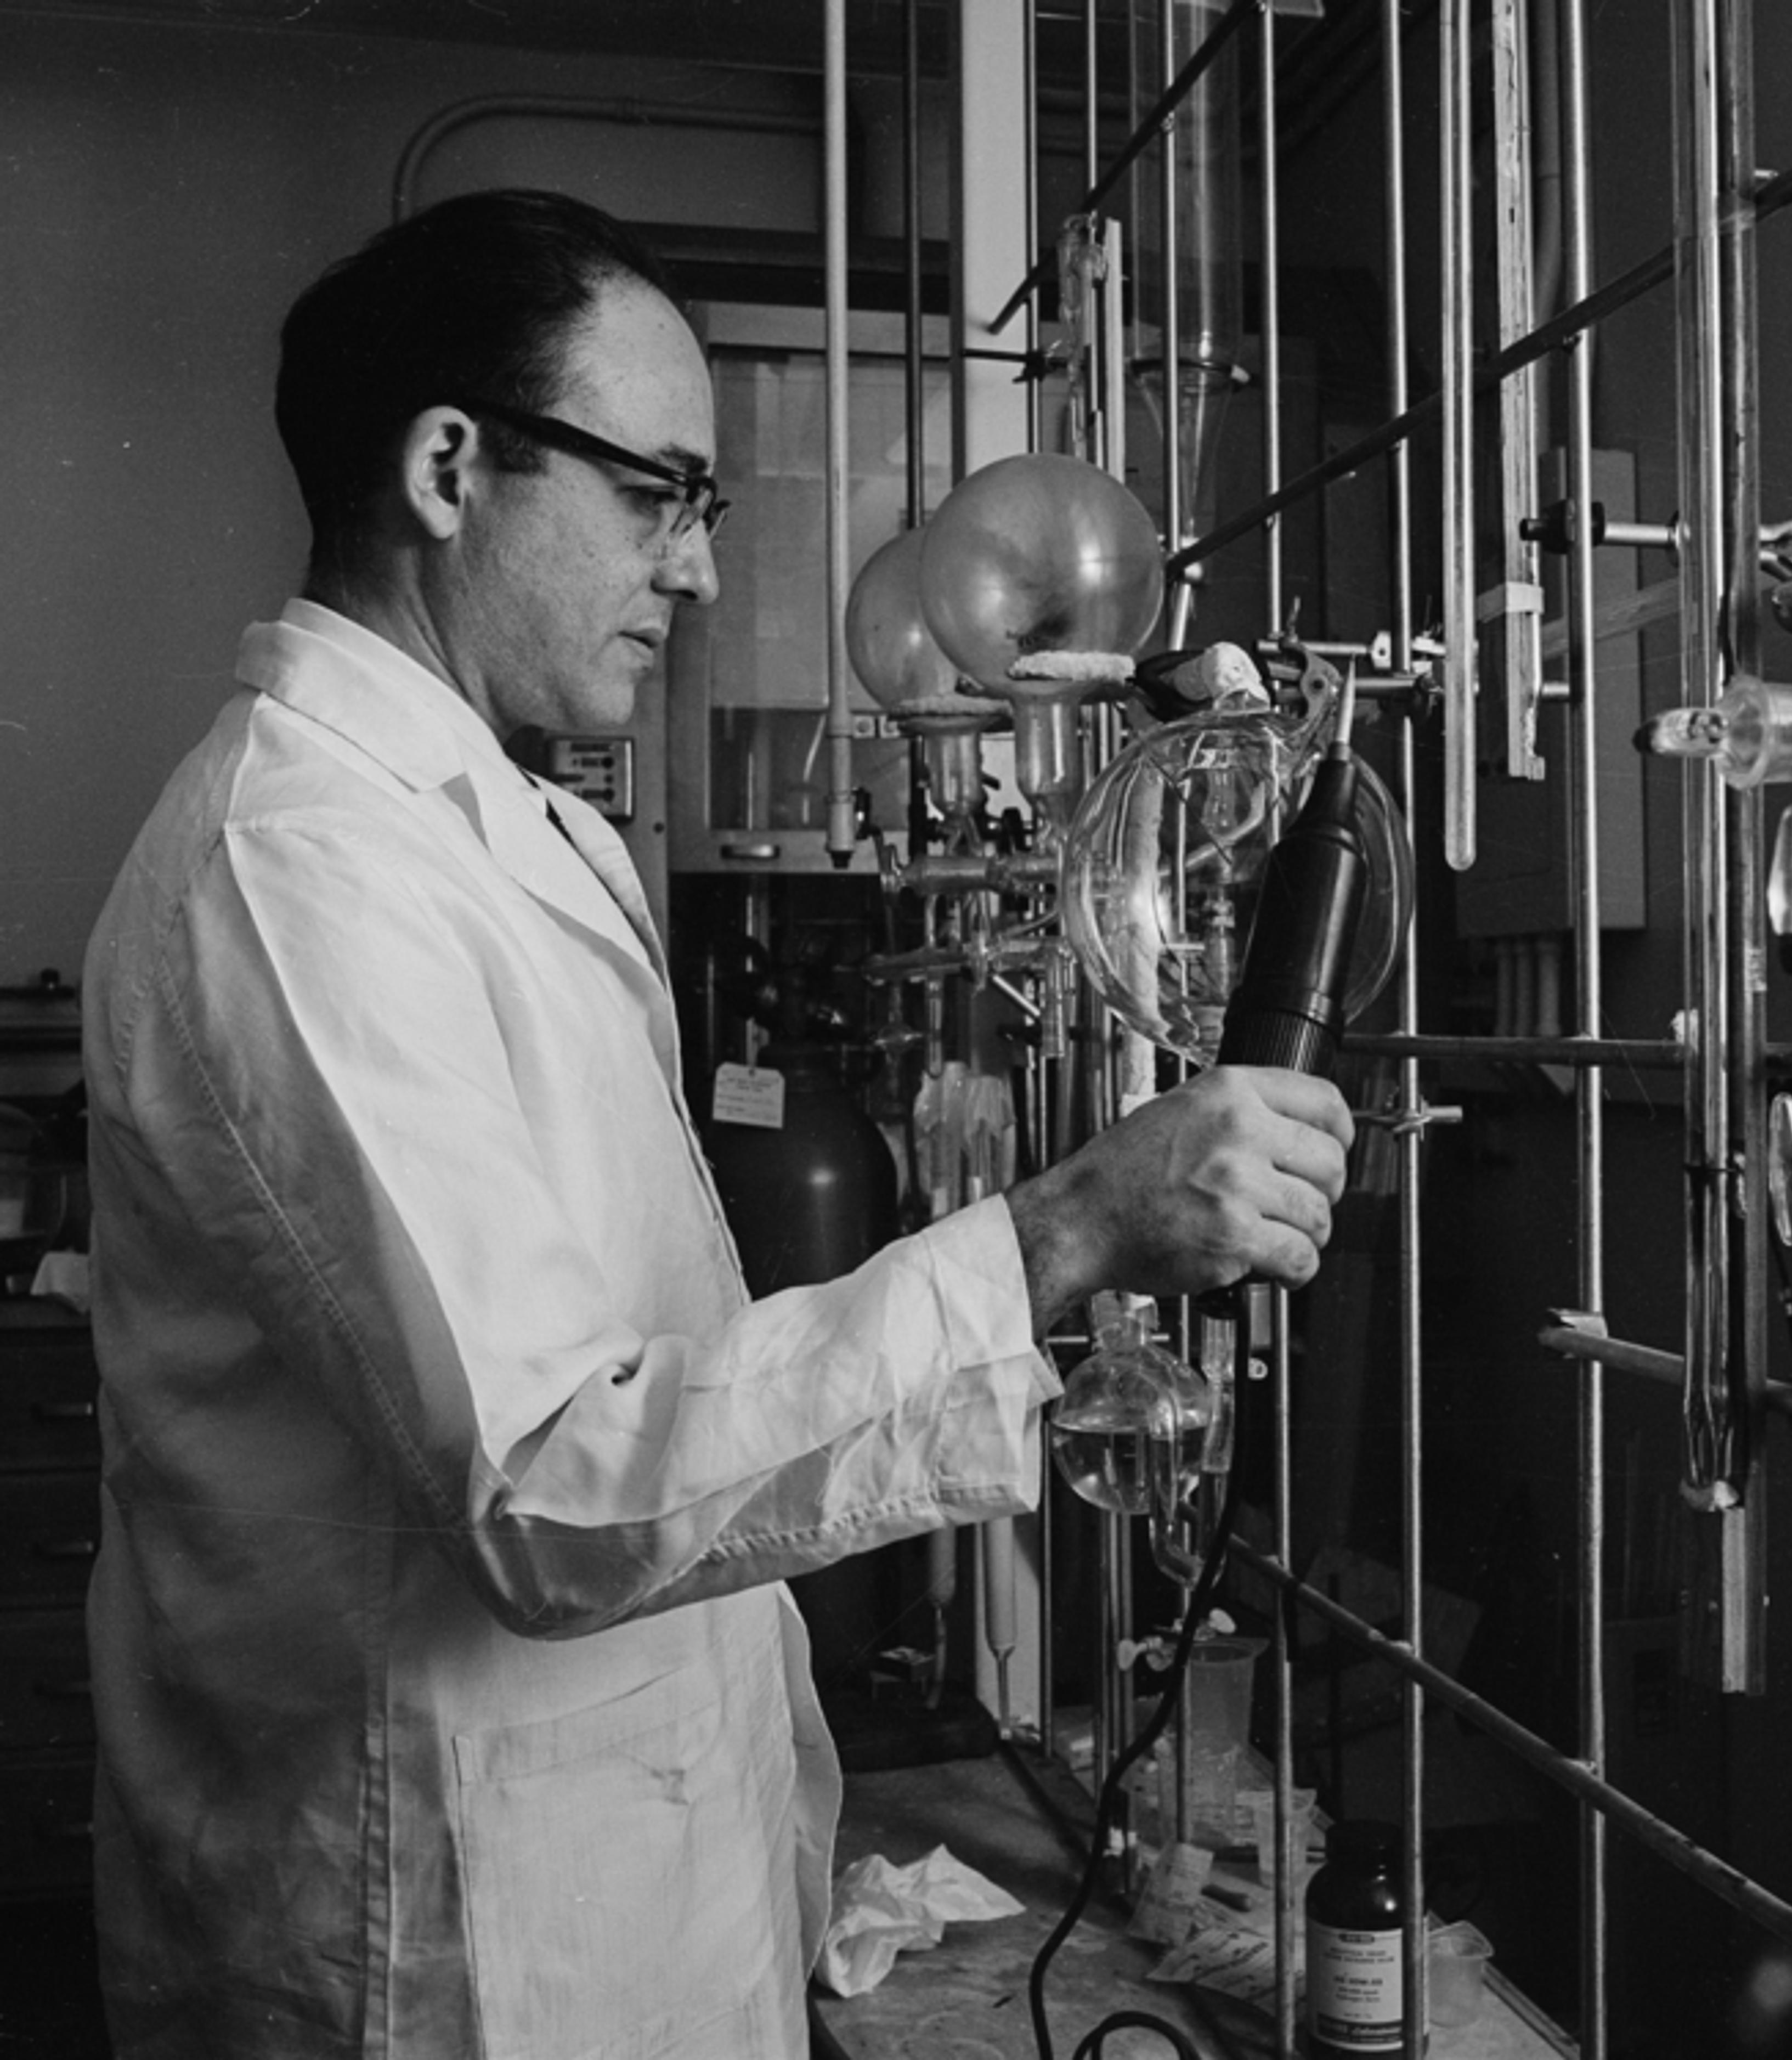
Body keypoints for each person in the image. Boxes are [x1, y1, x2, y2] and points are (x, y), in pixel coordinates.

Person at [81, 188, 1353, 2060]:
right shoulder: (300, 868)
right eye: (657, 495)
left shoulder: (503, 831)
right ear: (450, 465)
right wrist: (1068, 1231)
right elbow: (554, 1482)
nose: (692, 570)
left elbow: (650, 1377)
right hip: (439, 1951)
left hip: (628, 1904)